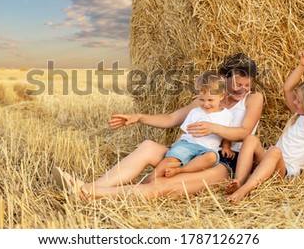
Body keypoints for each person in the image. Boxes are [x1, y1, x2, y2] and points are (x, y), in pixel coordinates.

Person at [52, 52, 263, 199]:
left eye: (247, 84)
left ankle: (88, 192)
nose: (241, 89)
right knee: (148, 147)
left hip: (220, 162)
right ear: (223, 80)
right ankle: (89, 187)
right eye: (236, 84)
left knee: (160, 186)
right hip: (189, 152)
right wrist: (139, 117)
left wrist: (213, 129)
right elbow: (172, 119)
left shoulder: (253, 99)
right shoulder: (206, 100)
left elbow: (243, 132)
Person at [226, 50, 304, 203]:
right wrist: (302, 65)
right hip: (270, 161)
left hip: (285, 170)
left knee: (275, 151)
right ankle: (239, 181)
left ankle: (245, 189)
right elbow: (287, 88)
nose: (294, 103)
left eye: (299, 101)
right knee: (250, 139)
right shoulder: (300, 115)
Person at [153, 70, 233, 179]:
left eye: (210, 100)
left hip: (207, 149)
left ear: (221, 96)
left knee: (212, 157)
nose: (205, 104)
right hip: (188, 144)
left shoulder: (227, 115)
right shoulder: (195, 112)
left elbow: (227, 133)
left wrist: (226, 147)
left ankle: (180, 170)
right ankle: (149, 180)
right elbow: (184, 131)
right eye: (201, 100)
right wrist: (176, 144)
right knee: (170, 160)